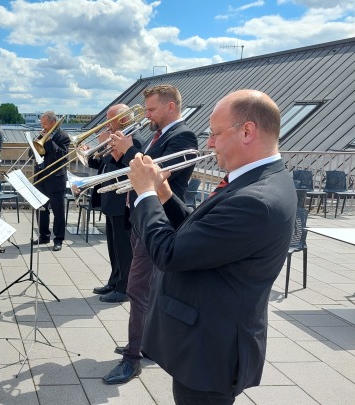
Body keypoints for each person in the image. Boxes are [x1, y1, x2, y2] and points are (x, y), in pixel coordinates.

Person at [126, 89, 296, 404]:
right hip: (208, 339)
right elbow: (203, 232)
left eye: (215, 134)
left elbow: (169, 253)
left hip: (210, 352)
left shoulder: (255, 199)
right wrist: (164, 195)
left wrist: (146, 194)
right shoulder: (258, 179)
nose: (209, 143)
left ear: (248, 132)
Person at [102, 85, 198, 385]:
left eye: (152, 109)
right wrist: (119, 153)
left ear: (171, 107)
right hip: (142, 220)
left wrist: (130, 149)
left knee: (138, 291)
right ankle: (147, 344)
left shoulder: (182, 136)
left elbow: (156, 175)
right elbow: (136, 171)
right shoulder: (160, 136)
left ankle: (133, 359)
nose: (147, 116)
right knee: (149, 292)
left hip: (159, 223)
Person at [86, 104, 142, 303]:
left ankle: (123, 288)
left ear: (124, 120)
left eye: (110, 120)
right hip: (110, 200)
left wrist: (109, 148)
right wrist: (92, 152)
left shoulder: (134, 141)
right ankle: (113, 280)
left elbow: (128, 166)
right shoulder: (115, 139)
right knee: (113, 246)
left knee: (123, 247)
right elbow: (104, 164)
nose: (106, 125)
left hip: (122, 201)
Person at [33, 111, 71, 251]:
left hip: (55, 179)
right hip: (41, 178)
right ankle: (44, 236)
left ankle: (58, 239)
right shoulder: (42, 134)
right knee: (42, 209)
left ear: (53, 123)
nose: (43, 127)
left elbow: (61, 156)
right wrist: (37, 144)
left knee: (58, 211)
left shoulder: (63, 137)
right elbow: (33, 153)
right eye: (42, 124)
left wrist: (48, 141)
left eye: (45, 124)